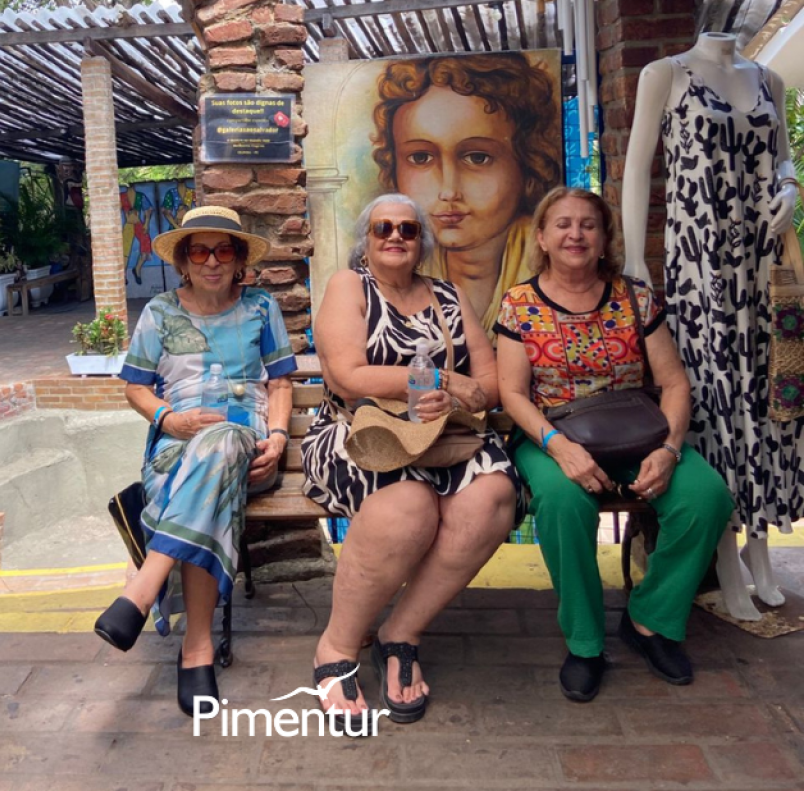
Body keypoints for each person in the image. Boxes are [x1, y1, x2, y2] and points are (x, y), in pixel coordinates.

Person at [496, 187, 733, 703]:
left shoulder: (634, 298)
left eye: (588, 225)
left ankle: (651, 620)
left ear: (604, 238)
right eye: (562, 224)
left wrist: (669, 450)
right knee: (563, 502)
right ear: (542, 237)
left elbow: (674, 382)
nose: (575, 234)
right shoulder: (519, 304)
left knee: (705, 497)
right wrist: (560, 447)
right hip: (550, 434)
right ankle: (584, 642)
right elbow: (511, 394)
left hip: (636, 433)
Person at [301, 193, 520, 730]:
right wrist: (439, 379)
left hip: (441, 438)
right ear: (366, 240)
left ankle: (401, 632)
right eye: (383, 228)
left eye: (408, 228)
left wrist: (458, 398)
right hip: (361, 435)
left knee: (493, 497)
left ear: (422, 241)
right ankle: (337, 644)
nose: (396, 236)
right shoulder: (350, 286)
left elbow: (489, 382)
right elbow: (348, 377)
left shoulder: (448, 295)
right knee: (409, 507)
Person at [622, 31, 804, 621]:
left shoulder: (768, 80)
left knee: (772, 397)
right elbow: (637, 169)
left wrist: (789, 188)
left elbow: (782, 157)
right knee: (715, 399)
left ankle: (760, 547)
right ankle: (725, 555)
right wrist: (635, 260)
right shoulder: (666, 74)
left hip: (764, 263)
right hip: (701, 265)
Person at [95, 205, 294, 717]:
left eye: (223, 250)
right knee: (211, 474)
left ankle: (143, 587)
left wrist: (276, 438)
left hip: (246, 447)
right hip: (176, 449)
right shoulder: (160, 312)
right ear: (183, 261)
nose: (212, 261)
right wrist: (169, 418)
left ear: (239, 259)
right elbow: (135, 387)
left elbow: (279, 383)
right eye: (199, 251)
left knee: (223, 442)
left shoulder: (261, 307)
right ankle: (197, 647)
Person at [371, 54, 561, 331]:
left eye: (477, 158)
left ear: (527, 162)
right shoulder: (390, 274)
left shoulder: (557, 268)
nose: (449, 191)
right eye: (421, 158)